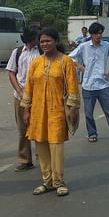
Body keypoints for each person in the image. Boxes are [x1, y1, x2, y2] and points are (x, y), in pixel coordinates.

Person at [21, 28, 80, 197]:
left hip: (57, 110)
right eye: (42, 42)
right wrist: (26, 110)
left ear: (56, 41)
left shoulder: (65, 61)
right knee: (41, 144)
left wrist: (73, 109)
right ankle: (46, 181)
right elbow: (28, 88)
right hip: (38, 111)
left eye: (48, 41)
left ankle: (59, 182)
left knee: (56, 146)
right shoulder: (36, 62)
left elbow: (73, 87)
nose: (45, 44)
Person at [69, 22, 109, 142]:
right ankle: (92, 133)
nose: (99, 35)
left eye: (100, 33)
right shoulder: (84, 46)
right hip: (88, 85)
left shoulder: (106, 46)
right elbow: (70, 57)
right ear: (91, 34)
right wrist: (80, 67)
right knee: (88, 113)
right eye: (96, 33)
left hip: (102, 84)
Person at [6, 25, 40, 171]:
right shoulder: (18, 52)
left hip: (39, 97)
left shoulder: (42, 52)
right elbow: (11, 73)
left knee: (39, 128)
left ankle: (43, 159)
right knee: (22, 129)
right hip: (20, 96)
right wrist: (19, 91)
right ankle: (25, 160)